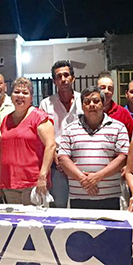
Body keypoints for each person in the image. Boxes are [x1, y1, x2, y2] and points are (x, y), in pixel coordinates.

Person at [58, 86, 129, 209]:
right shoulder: (69, 129)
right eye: (87, 102)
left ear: (104, 104)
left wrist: (98, 176)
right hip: (78, 196)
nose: (91, 105)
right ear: (82, 106)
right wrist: (83, 179)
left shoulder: (118, 127)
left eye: (96, 101)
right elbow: (63, 159)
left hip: (110, 197)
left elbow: (123, 157)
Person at [0, 77, 56, 205]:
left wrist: (42, 177)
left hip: (33, 183)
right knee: (13, 218)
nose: (20, 96)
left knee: (33, 218)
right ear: (11, 96)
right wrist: (0, 182)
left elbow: (51, 146)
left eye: (25, 93)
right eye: (16, 92)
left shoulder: (39, 117)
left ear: (31, 97)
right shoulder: (6, 120)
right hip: (9, 184)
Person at [39, 60, 82, 208]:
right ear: (54, 81)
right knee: (59, 204)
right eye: (59, 76)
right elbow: (43, 136)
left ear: (73, 78)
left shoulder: (83, 100)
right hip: (56, 161)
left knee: (81, 204)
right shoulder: (46, 104)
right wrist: (55, 156)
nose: (63, 79)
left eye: (66, 75)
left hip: (80, 159)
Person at [97, 73, 133, 137]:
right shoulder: (90, 112)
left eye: (110, 88)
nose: (106, 91)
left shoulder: (123, 114)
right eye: (102, 88)